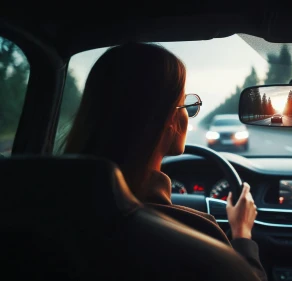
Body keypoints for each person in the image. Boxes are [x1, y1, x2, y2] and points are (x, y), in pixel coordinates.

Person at [64, 43, 267, 281]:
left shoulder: (45, 205)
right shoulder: (199, 232)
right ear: (171, 120)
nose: (187, 113)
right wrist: (242, 233)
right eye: (184, 103)